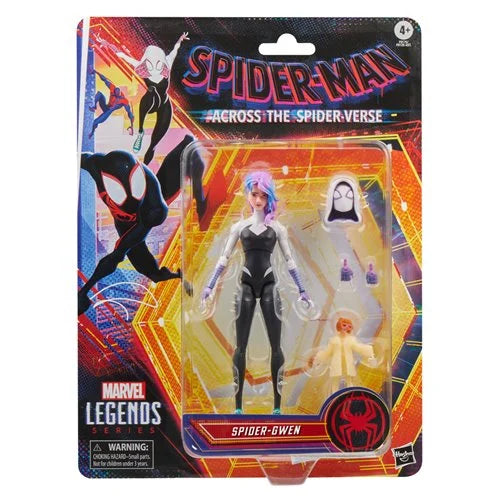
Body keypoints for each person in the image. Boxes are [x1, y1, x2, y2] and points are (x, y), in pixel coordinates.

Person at [202, 172, 312, 414]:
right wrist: (209, 286)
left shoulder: (277, 228)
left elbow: (290, 261)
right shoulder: (239, 227)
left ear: (269, 197)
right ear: (248, 195)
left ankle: (277, 406)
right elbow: (224, 258)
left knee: (276, 346)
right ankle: (238, 406)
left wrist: (302, 290)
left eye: (264, 195)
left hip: (270, 284)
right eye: (255, 194)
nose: (259, 199)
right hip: (246, 285)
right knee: (240, 346)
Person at [117, 33, 189, 165]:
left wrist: (180, 39)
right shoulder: (141, 66)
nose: (155, 67)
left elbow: (175, 49)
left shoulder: (167, 63)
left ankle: (144, 169)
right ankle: (140, 131)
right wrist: (106, 44)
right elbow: (122, 56)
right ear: (146, 62)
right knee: (151, 91)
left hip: (164, 105)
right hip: (149, 103)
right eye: (151, 64)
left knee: (153, 145)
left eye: (158, 63)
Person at [89, 70, 134, 137]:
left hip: (108, 112)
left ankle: (92, 132)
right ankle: (94, 107)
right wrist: (95, 71)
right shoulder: (113, 88)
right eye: (115, 95)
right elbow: (104, 79)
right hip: (106, 106)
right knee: (99, 94)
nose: (116, 97)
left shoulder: (124, 100)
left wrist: (132, 125)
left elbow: (129, 112)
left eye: (118, 96)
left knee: (95, 122)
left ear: (120, 94)